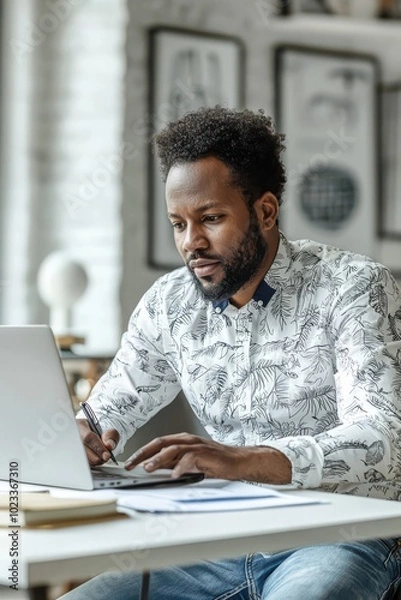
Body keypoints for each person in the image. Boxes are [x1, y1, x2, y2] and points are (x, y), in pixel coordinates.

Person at [60, 107, 401, 599]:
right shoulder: (168, 305)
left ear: (265, 211)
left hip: (341, 537)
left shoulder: (353, 287)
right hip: (217, 539)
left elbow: (384, 440)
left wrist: (245, 460)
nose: (191, 243)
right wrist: (79, 437)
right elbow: (104, 413)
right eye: (178, 224)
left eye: (211, 219)